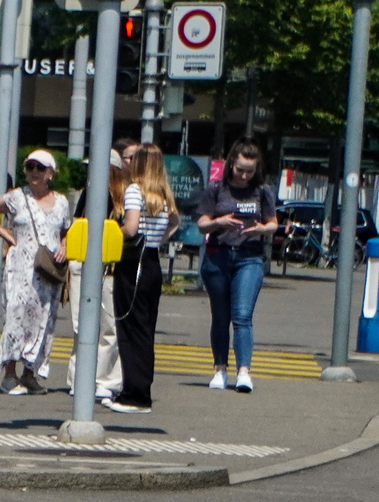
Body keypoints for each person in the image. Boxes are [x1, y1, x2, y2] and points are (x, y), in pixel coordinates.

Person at [0, 149, 70, 395]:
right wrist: (7, 235)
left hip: (48, 268)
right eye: (30, 167)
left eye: (40, 168)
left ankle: (30, 374)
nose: (34, 172)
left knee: (42, 318)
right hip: (21, 266)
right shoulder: (16, 197)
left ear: (51, 173)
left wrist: (64, 246)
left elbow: (66, 231)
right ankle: (9, 374)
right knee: (16, 315)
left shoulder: (61, 202)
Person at [195, 140, 279, 391]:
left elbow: (273, 223)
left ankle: (244, 371)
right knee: (220, 316)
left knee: (242, 315)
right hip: (218, 255)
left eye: (250, 171)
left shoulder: (262, 191)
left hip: (249, 256)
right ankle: (220, 370)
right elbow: (201, 224)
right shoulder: (216, 189)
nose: (244, 175)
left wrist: (262, 229)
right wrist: (219, 221)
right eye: (240, 169)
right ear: (231, 163)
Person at [107, 143, 176, 414]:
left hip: (132, 262)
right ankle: (140, 389)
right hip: (152, 261)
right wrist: (158, 239)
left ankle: (133, 394)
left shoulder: (135, 191)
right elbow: (174, 222)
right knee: (145, 329)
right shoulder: (162, 193)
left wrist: (112, 230)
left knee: (128, 325)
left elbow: (131, 228)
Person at [65, 141, 130, 400]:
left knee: (109, 325)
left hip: (110, 266)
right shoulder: (90, 191)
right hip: (83, 263)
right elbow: (77, 223)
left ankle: (102, 380)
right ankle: (80, 378)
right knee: (83, 325)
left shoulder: (122, 198)